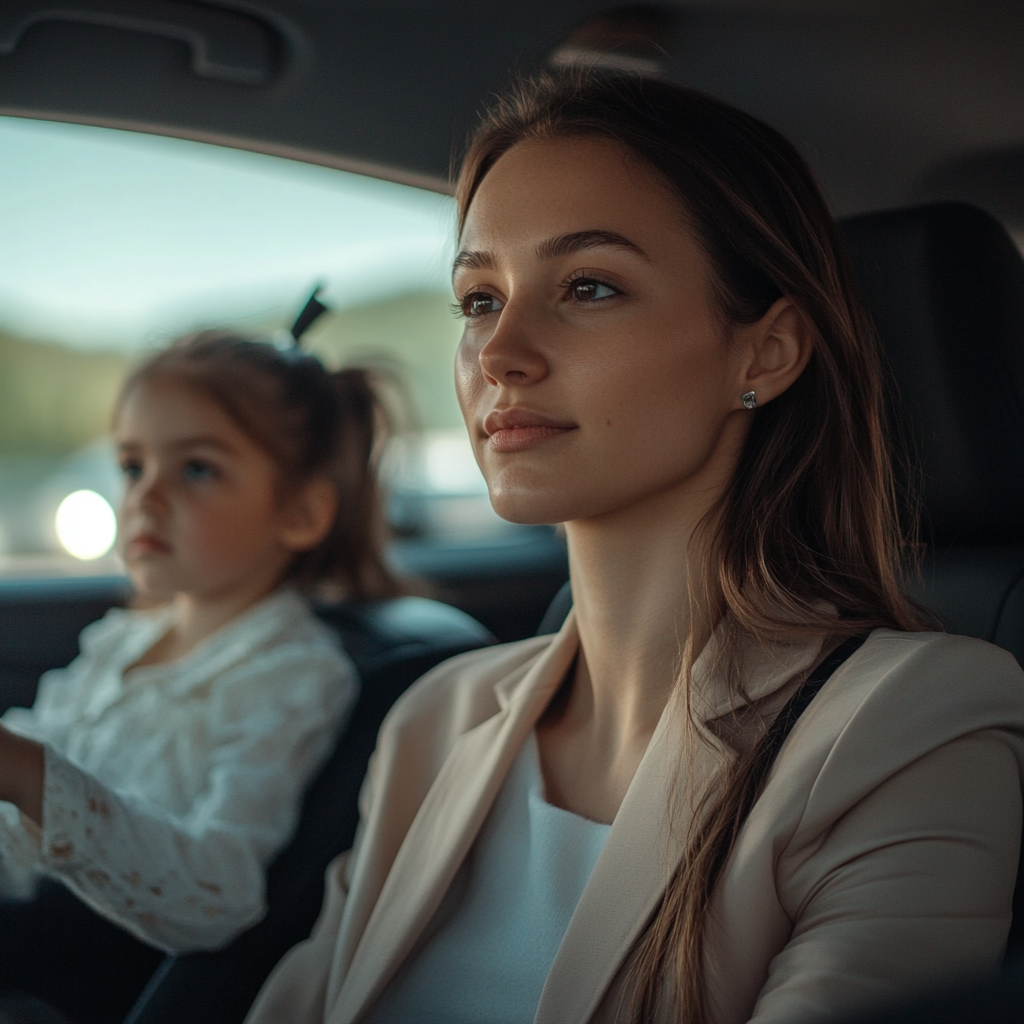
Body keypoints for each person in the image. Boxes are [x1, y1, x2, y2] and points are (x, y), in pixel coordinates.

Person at [244, 71, 1024, 1024]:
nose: (499, 354)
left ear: (765, 353)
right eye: (479, 299)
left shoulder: (913, 724)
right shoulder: (435, 720)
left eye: (588, 286)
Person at [0, 330, 401, 1022]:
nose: (145, 499)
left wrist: (29, 776)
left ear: (301, 512)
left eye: (196, 471)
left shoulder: (290, 676)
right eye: (131, 467)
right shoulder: (124, 639)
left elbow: (219, 896)